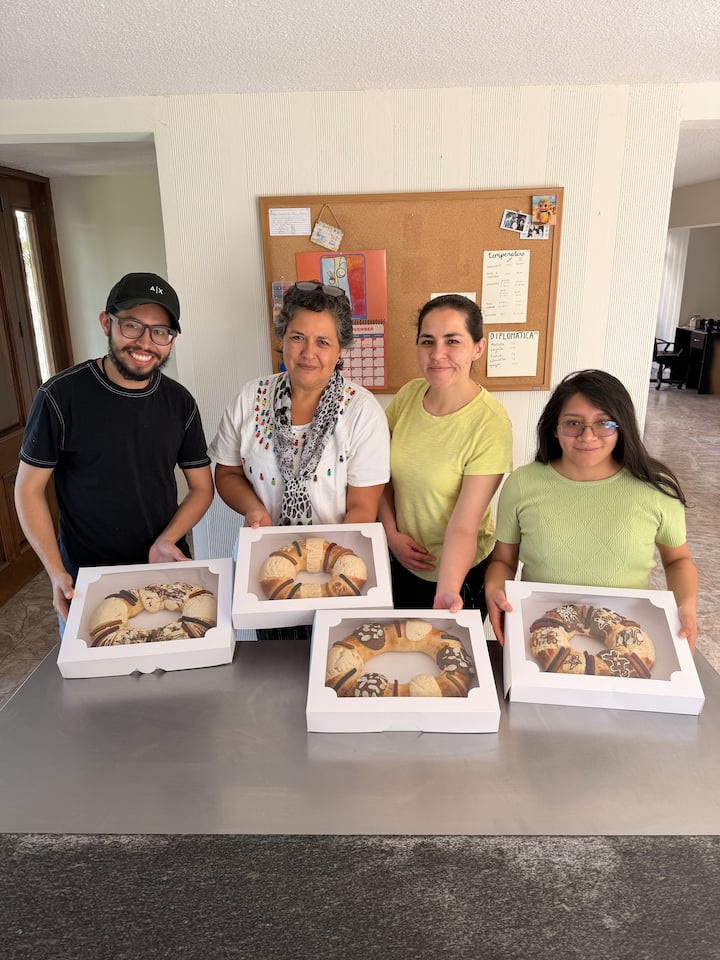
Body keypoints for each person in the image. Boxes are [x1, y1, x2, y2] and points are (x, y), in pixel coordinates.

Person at [15, 272, 214, 626]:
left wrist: (167, 540)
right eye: (132, 326)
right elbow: (28, 490)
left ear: (171, 340)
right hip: (87, 581)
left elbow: (202, 487)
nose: (146, 343)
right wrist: (55, 571)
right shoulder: (60, 397)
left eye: (161, 332)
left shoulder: (179, 402)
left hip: (162, 572)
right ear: (107, 322)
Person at [484, 369, 698, 650]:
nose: (587, 436)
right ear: (554, 428)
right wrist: (494, 588)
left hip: (628, 634)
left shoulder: (656, 487)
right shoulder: (522, 483)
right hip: (540, 631)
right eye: (573, 423)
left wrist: (686, 604)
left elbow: (677, 560)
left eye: (603, 423)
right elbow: (503, 561)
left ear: (622, 427)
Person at [209, 280, 390, 528]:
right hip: (264, 544)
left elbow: (362, 508)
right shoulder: (250, 397)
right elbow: (228, 472)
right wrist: (253, 509)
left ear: (339, 350)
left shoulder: (363, 412)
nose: (308, 353)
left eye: (323, 342)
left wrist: (323, 550)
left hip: (338, 547)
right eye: (297, 337)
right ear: (282, 339)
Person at [378, 294, 513, 616]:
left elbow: (465, 524)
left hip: (459, 574)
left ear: (478, 348)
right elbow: (379, 475)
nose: (437, 354)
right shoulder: (409, 395)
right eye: (428, 341)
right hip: (400, 560)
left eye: (452, 341)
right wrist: (391, 534)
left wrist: (448, 589)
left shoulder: (490, 423)